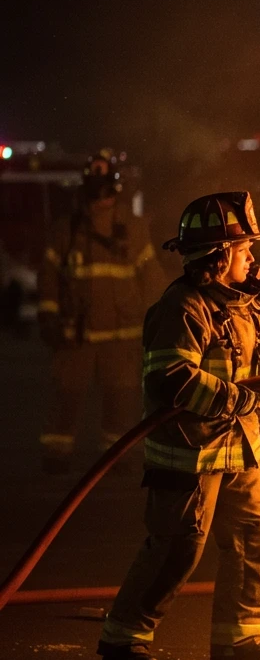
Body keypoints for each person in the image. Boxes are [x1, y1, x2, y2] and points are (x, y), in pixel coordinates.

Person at [97, 192, 260, 660]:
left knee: (254, 536)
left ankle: (241, 640)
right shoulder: (181, 308)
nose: (253, 257)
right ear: (220, 256)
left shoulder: (244, 306)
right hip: (190, 454)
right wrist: (238, 398)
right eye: (246, 249)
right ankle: (125, 639)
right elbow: (171, 378)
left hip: (240, 449)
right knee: (177, 546)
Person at [36, 151, 165, 474]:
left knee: (120, 400)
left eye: (105, 187)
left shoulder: (132, 230)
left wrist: (164, 318)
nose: (101, 196)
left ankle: (115, 457)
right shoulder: (66, 230)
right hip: (74, 334)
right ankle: (56, 454)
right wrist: (49, 317)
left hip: (122, 336)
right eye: (95, 186)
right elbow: (49, 277)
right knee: (66, 395)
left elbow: (152, 280)